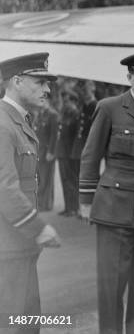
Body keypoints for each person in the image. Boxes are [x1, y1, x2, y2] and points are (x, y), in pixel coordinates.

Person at [79, 51, 134, 334]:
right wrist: (85, 201)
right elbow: (90, 156)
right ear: (129, 77)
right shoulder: (109, 108)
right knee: (110, 288)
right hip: (113, 210)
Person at [0, 53, 61, 331]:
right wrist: (38, 228)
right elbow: (5, 187)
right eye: (40, 82)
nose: (47, 90)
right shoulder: (3, 124)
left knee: (28, 322)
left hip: (19, 244)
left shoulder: (17, 120)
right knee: (15, 324)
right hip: (9, 245)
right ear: (17, 81)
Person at [56, 88, 81, 217]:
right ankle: (68, 207)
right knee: (65, 180)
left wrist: (73, 154)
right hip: (62, 153)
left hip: (70, 154)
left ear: (73, 101)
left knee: (72, 181)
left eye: (66, 100)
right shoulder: (64, 113)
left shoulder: (75, 114)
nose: (64, 103)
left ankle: (74, 208)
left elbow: (77, 137)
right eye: (63, 100)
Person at [33, 100, 59, 212]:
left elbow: (54, 135)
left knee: (47, 178)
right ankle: (41, 202)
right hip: (39, 151)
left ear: (47, 101)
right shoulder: (40, 113)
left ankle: (46, 204)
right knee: (40, 178)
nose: (40, 102)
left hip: (47, 152)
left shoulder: (53, 114)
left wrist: (51, 152)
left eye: (42, 100)